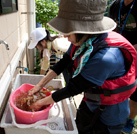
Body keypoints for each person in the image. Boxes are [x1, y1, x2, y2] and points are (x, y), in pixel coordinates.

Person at [28, 0, 137, 133]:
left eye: (69, 32)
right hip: (91, 101)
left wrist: (38, 103)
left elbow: (73, 88)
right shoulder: (83, 40)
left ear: (84, 28)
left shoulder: (106, 58)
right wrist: (39, 85)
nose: (66, 37)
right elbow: (63, 62)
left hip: (109, 116)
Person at [109, 0, 137, 133]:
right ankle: (115, 115)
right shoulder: (115, 5)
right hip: (117, 52)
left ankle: (130, 120)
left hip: (135, 54)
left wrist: (130, 50)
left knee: (135, 92)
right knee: (116, 85)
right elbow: (110, 29)